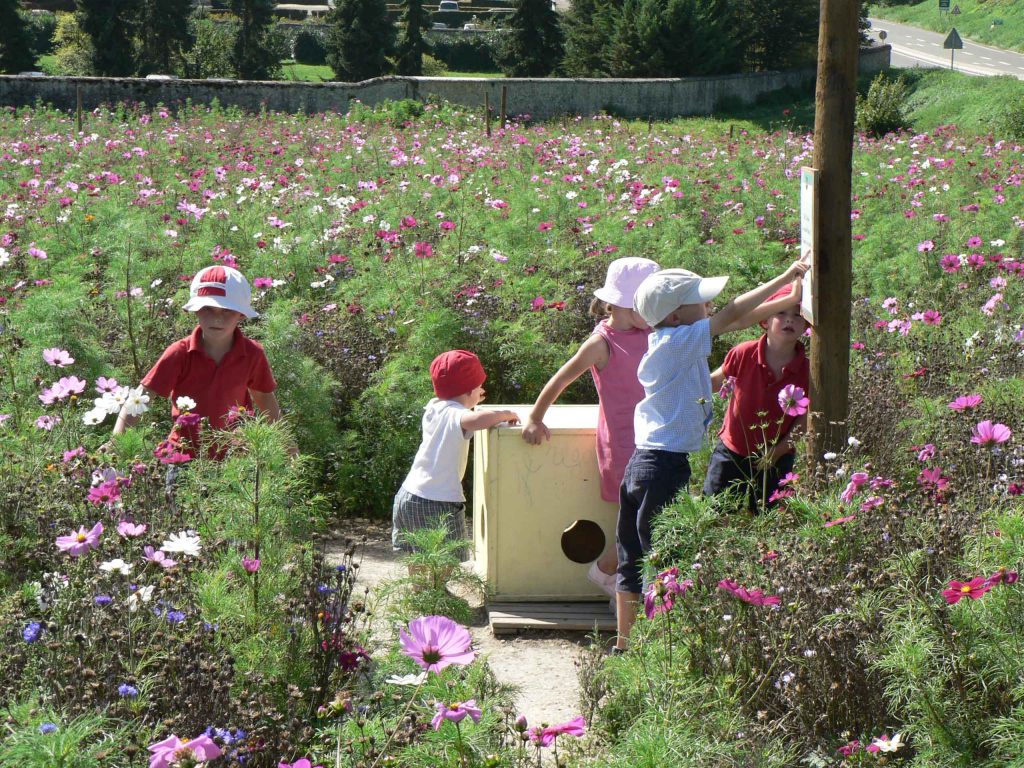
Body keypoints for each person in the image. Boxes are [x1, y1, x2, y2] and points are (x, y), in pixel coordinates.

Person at [614, 258, 810, 651]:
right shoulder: (677, 341)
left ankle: (625, 644)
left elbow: (735, 318)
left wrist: (785, 297)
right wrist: (789, 282)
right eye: (700, 303)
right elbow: (735, 315)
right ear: (674, 316)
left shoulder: (665, 340)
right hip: (663, 465)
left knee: (634, 556)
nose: (707, 308)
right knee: (666, 557)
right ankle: (659, 647)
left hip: (645, 462)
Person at [522, 257, 660, 600]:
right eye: (650, 303)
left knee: (648, 521)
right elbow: (561, 379)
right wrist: (536, 417)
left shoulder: (650, 330)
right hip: (624, 446)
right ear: (623, 304)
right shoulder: (602, 343)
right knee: (639, 524)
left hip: (655, 438)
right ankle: (609, 575)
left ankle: (616, 578)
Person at [112, 265, 283, 462]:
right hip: (183, 458)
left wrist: (289, 451)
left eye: (227, 311)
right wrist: (117, 445)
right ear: (195, 310)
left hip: (235, 461)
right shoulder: (180, 353)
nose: (217, 318)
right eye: (208, 309)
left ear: (241, 315)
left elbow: (267, 403)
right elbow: (140, 398)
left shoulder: (253, 354)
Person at [393, 350, 519, 567]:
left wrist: (468, 399)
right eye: (479, 388)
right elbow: (475, 419)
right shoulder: (457, 415)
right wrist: (505, 414)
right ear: (469, 391)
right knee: (448, 558)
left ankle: (422, 594)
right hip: (435, 501)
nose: (482, 392)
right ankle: (437, 593)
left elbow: (458, 409)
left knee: (420, 559)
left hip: (409, 495)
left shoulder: (434, 407)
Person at [704, 284, 809, 512]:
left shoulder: (808, 370)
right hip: (732, 449)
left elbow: (805, 418)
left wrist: (780, 450)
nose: (789, 320)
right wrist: (684, 382)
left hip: (776, 455)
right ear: (764, 320)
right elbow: (714, 382)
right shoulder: (744, 353)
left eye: (797, 315)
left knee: (769, 515)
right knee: (714, 511)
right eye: (781, 313)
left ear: (806, 325)